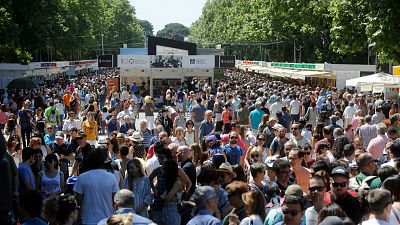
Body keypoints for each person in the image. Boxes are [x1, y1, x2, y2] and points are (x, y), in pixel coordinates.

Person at [74, 147, 119, 225]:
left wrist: (78, 219)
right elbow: (116, 201)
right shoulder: (111, 177)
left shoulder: (82, 177)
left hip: (88, 221)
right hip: (107, 221)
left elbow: (78, 202)